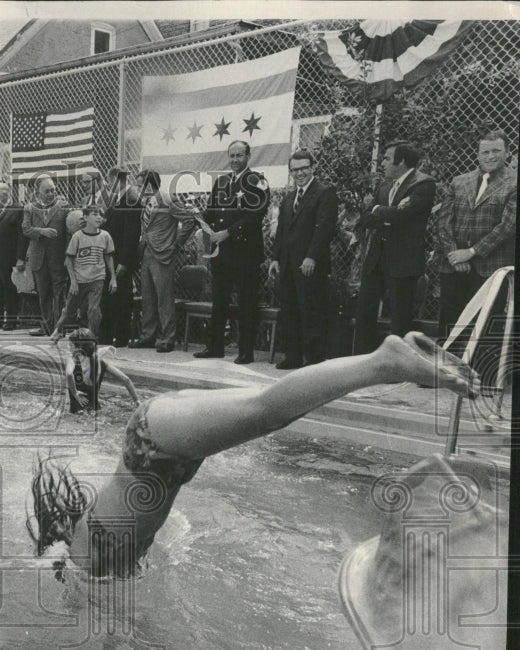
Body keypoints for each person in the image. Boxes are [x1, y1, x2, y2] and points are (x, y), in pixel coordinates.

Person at [27, 331, 481, 579]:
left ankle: (387, 361)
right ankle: (386, 361)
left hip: (156, 448)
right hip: (158, 442)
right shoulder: (99, 542)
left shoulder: (80, 565)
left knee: (269, 413)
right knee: (268, 402)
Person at [354, 141, 436, 354]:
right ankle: (365, 361)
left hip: (403, 262)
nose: (382, 163)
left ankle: (397, 366)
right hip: (376, 260)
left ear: (402, 162)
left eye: (387, 158)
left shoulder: (423, 184)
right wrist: (385, 213)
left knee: (400, 318)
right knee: (364, 311)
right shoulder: (385, 184)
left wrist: (378, 210)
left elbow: (403, 216)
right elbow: (365, 218)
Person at [435, 129, 517, 342]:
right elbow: (444, 221)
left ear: (508, 153)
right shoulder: (459, 181)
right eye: (485, 152)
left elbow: (508, 227)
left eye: (496, 151)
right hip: (453, 267)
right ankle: (445, 373)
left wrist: (470, 253)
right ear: (478, 155)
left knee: (483, 332)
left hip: (489, 269)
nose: (490, 156)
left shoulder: (514, 183)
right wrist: (454, 254)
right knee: (449, 330)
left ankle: (479, 375)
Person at [195, 141, 270, 364]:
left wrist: (227, 232)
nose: (235, 159)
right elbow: (212, 211)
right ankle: (215, 347)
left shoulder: (258, 180)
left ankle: (246, 351)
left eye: (239, 155)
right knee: (219, 302)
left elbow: (255, 215)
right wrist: (196, 215)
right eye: (232, 155)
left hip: (245, 253)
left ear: (248, 156)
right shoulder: (222, 182)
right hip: (223, 253)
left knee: (247, 303)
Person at [268, 151, 338, 369]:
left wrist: (311, 257)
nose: (300, 173)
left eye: (303, 168)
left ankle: (314, 360)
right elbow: (282, 232)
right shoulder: (289, 198)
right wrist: (275, 258)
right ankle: (293, 357)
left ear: (312, 167)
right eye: (295, 169)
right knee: (290, 311)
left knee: (311, 311)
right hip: (288, 265)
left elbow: (324, 229)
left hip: (310, 265)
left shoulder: (324, 193)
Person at [131, 170, 200, 353]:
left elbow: (189, 221)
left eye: (140, 185)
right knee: (148, 297)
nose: (138, 189)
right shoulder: (146, 202)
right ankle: (148, 335)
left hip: (163, 253)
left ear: (149, 185)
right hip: (146, 253)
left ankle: (167, 338)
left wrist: (175, 245)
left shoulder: (167, 199)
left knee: (164, 297)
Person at [50, 205, 116, 340]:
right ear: (85, 218)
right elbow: (68, 260)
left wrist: (113, 278)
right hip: (79, 280)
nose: (99, 218)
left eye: (100, 215)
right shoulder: (78, 237)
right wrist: (73, 281)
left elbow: (109, 257)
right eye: (95, 214)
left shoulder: (105, 236)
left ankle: (91, 338)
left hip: (97, 278)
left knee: (94, 310)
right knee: (69, 311)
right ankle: (58, 331)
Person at [22, 175, 70, 336]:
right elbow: (26, 229)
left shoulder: (63, 207)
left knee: (60, 294)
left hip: (58, 258)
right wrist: (41, 231)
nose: (51, 194)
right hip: (39, 259)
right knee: (44, 294)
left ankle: (60, 328)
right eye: (47, 191)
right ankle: (47, 327)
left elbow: (71, 228)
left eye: (53, 190)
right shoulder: (29, 208)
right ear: (38, 192)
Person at [100, 168, 141, 348]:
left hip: (121, 258)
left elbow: (131, 234)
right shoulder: (119, 199)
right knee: (110, 298)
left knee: (122, 299)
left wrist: (125, 261)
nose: (109, 186)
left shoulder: (131, 199)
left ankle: (121, 337)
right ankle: (108, 336)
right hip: (112, 256)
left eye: (110, 182)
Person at [61, 328, 139, 413]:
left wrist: (75, 393)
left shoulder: (72, 360)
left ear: (79, 347)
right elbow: (126, 379)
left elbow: (69, 374)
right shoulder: (100, 363)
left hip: (76, 415)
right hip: (96, 411)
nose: (68, 347)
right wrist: (137, 401)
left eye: (71, 345)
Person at [0, 183, 26, 330]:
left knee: (9, 290)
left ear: (5, 194)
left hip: (8, 258)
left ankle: (11, 320)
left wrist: (20, 258)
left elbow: (22, 236)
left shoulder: (16, 209)